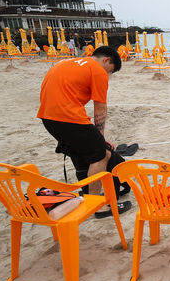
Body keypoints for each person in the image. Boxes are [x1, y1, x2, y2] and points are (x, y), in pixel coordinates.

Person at [37, 46, 131, 217]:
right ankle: (96, 206)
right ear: (106, 60)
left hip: (47, 118)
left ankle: (90, 194)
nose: (108, 76)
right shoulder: (97, 70)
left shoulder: (65, 63)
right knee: (101, 155)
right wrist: (99, 138)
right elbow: (100, 107)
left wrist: (95, 138)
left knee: (82, 152)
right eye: (109, 72)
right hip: (67, 117)